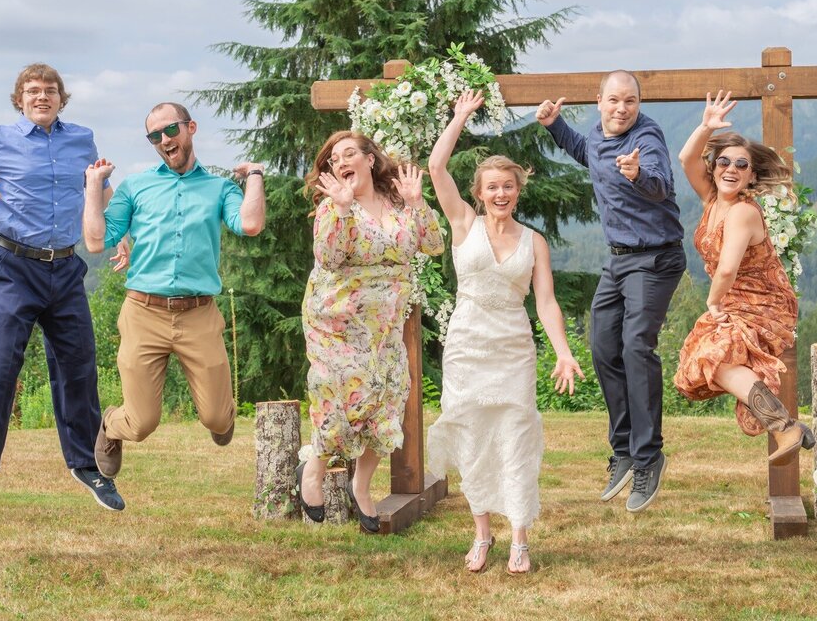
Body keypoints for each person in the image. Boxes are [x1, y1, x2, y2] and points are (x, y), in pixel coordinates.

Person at [0, 62, 126, 527]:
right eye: (33, 91)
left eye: (51, 90)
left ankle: (87, 466)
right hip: (12, 269)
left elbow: (99, 188)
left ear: (62, 98)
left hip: (66, 268)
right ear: (20, 98)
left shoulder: (82, 139)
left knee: (79, 370)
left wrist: (118, 232)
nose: (42, 97)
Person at [425, 89, 584, 574]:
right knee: (471, 435)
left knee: (515, 436)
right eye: (491, 186)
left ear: (518, 191)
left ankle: (519, 537)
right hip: (467, 345)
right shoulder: (462, 223)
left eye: (508, 187)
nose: (500, 194)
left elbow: (547, 303)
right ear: (479, 191)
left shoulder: (534, 242)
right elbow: (436, 168)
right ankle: (480, 534)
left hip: (513, 348)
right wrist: (459, 116)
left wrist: (562, 351)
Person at [82, 102, 265, 488]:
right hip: (143, 312)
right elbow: (97, 241)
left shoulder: (219, 188)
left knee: (218, 418)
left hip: (199, 313)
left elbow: (249, 223)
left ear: (191, 128)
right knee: (142, 422)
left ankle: (219, 415)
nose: (164, 140)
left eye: (171, 130)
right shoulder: (135, 187)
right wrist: (93, 186)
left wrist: (255, 176)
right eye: (154, 136)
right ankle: (111, 426)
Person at [535, 70, 685, 512]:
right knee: (603, 347)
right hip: (618, 260)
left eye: (631, 102)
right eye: (614, 100)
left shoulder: (648, 136)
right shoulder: (598, 134)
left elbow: (660, 183)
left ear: (639, 104)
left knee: (636, 345)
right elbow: (585, 151)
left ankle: (648, 456)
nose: (622, 109)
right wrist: (554, 126)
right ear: (598, 100)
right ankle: (623, 450)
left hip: (656, 257)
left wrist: (639, 174)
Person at [298, 131, 444, 533]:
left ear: (368, 160)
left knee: (385, 403)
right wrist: (343, 210)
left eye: (348, 154)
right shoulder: (332, 207)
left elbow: (432, 245)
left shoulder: (398, 199)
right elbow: (328, 258)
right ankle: (313, 469)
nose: (340, 162)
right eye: (333, 159)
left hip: (384, 327)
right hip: (337, 323)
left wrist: (417, 203)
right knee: (340, 400)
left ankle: (361, 487)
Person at [672, 91, 813, 463]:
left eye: (741, 165)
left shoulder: (743, 213)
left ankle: (785, 427)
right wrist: (706, 125)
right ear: (714, 167)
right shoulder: (711, 199)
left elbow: (728, 269)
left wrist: (713, 302)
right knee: (704, 365)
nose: (730, 169)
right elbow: (686, 158)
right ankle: (788, 427)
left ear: (752, 175)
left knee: (714, 358)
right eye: (723, 162)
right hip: (731, 299)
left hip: (763, 302)